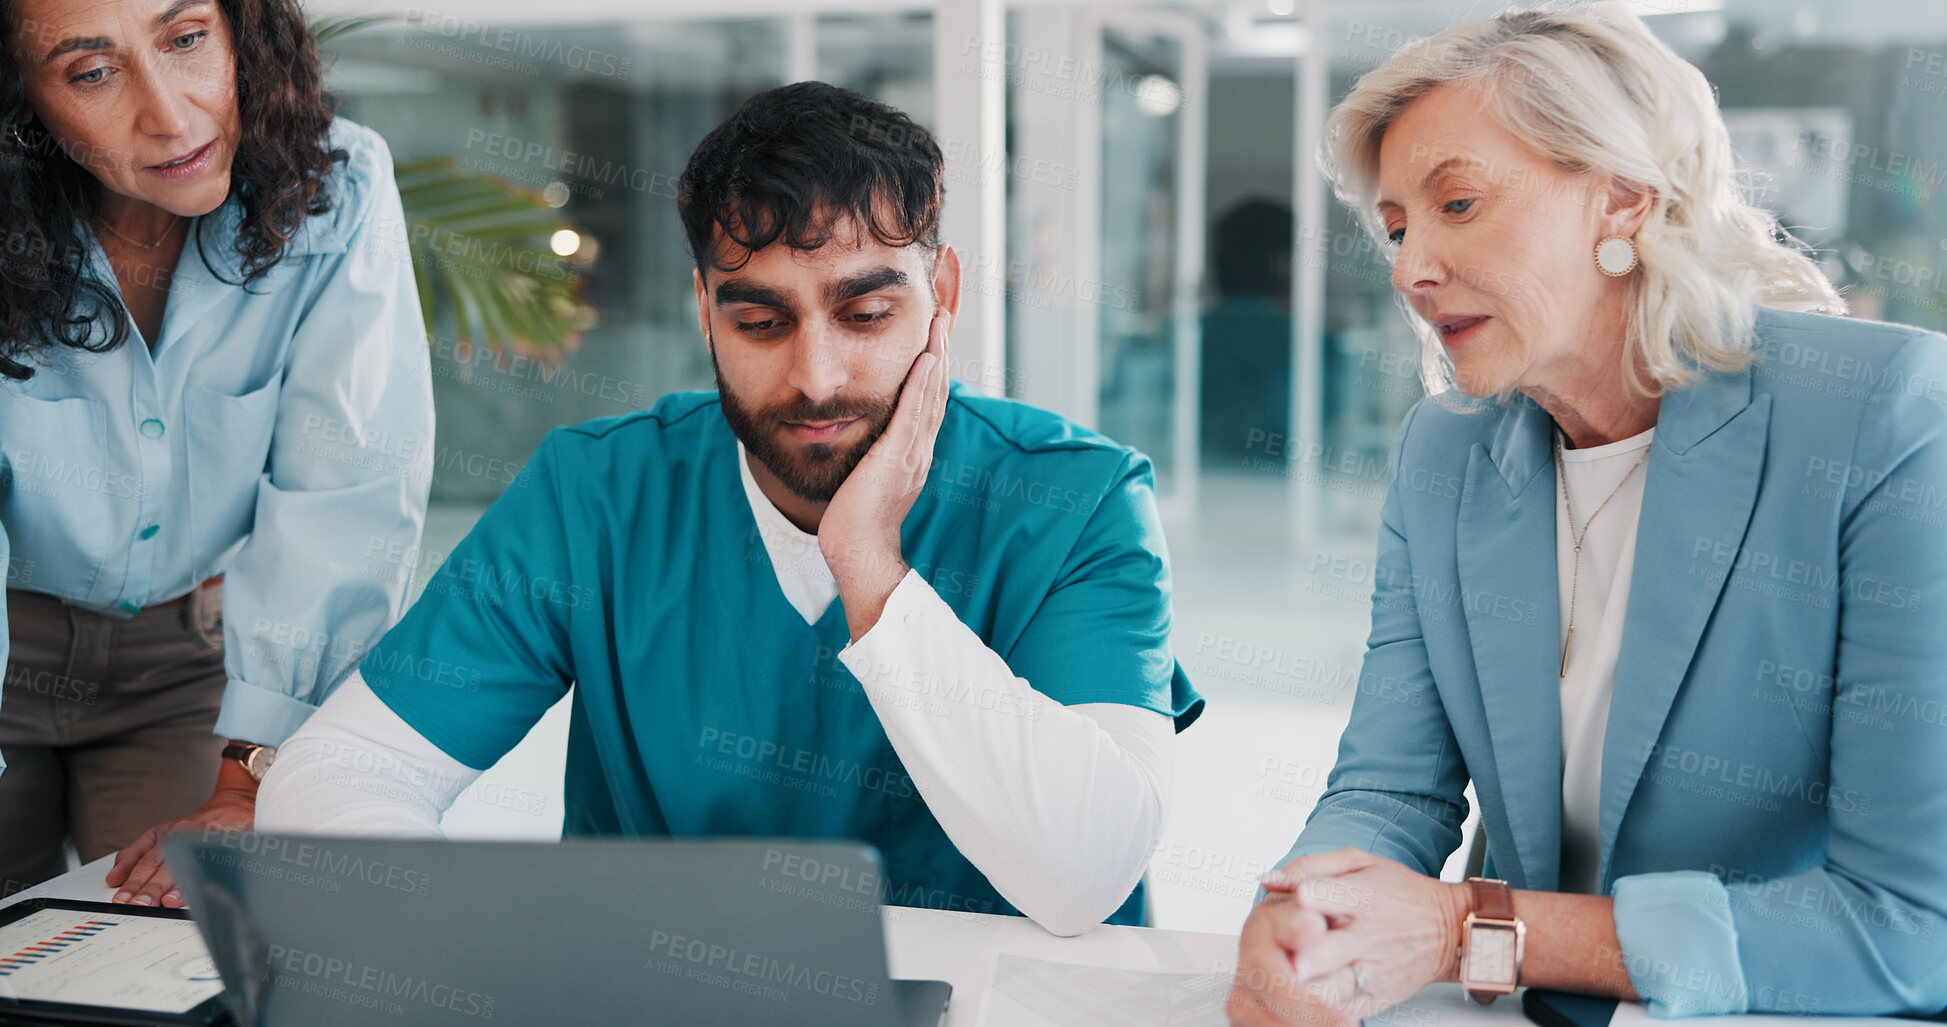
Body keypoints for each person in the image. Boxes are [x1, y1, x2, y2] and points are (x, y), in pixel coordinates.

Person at [255, 81, 1204, 936]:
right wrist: (487, 945)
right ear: (703, 309)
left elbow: (1087, 872)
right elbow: (337, 773)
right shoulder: (598, 492)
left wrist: (869, 565)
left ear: (941, 295)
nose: (815, 376)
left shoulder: (1077, 499)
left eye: (866, 314)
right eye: (760, 321)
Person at [1228, 6, 1947, 1024]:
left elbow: (1913, 925)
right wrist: (1311, 909)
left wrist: (1470, 927)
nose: (1407, 268)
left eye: (1459, 203)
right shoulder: (1445, 454)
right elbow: (1390, 787)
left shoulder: (1887, 416)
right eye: (1396, 227)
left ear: (1621, 198)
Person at [0, 0, 432, 904]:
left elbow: (346, 489)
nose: (170, 115)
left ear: (244, 31)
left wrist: (251, 773)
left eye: (187, 39)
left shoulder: (335, 190)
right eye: (91, 72)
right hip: (13, 640)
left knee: (196, 935)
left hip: (194, 662)